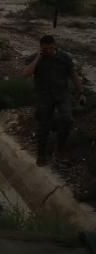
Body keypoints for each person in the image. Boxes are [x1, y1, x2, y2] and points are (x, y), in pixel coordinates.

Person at [23, 35, 86, 165]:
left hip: (62, 94)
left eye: (51, 48)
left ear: (55, 45)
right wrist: (38, 57)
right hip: (44, 96)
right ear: (41, 48)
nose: (50, 51)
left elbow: (73, 75)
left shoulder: (64, 58)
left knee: (67, 119)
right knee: (43, 126)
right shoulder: (37, 58)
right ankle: (41, 155)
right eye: (46, 49)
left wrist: (81, 92)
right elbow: (26, 74)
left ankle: (60, 149)